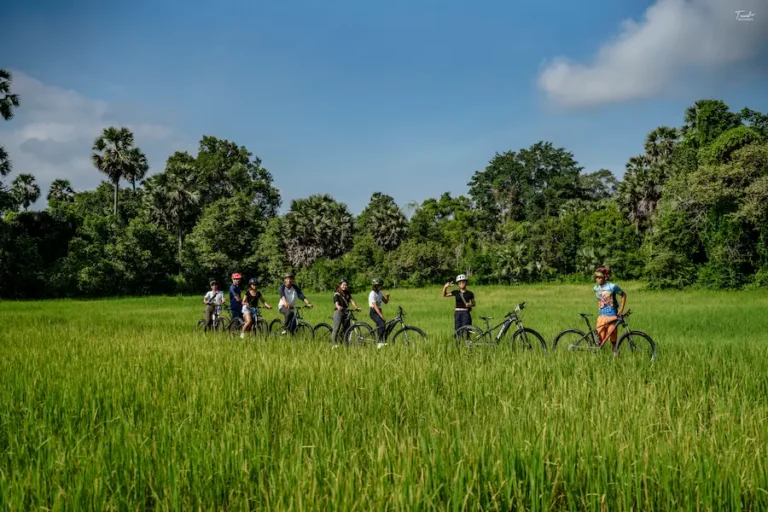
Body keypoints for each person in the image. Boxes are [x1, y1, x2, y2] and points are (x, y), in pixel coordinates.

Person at [593, 266, 627, 350]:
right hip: (601, 316)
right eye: (596, 277)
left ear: (605, 277)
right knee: (599, 340)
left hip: (612, 316)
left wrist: (621, 309)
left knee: (613, 339)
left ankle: (615, 356)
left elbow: (623, 295)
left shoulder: (612, 286)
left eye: (600, 277)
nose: (598, 279)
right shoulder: (596, 288)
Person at [331, 278, 361, 343]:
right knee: (337, 328)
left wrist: (356, 308)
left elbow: (352, 301)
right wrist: (338, 306)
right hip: (339, 312)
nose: (345, 286)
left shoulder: (347, 293)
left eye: (346, 285)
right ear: (340, 285)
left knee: (347, 328)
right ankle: (334, 344)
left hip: (346, 312)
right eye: (343, 285)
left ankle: (344, 342)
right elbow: (336, 303)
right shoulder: (337, 293)